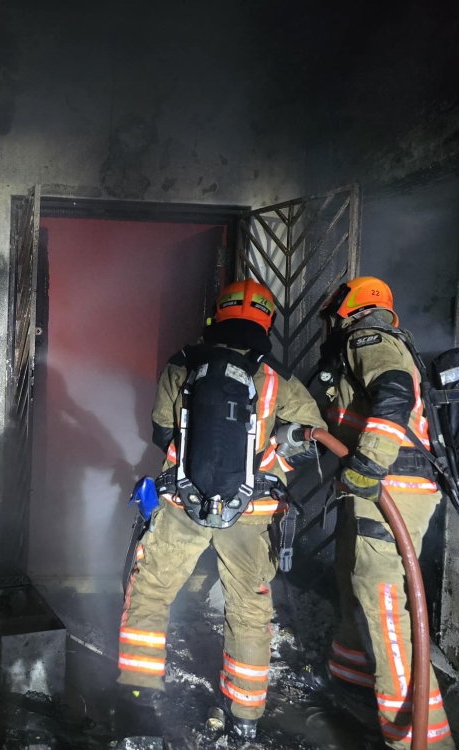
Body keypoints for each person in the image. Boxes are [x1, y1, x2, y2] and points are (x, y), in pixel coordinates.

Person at [117, 279, 326, 739]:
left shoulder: (183, 361)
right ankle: (245, 717)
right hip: (251, 513)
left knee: (151, 592)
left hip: (181, 504)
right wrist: (274, 458)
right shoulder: (275, 375)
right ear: (267, 319)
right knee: (248, 610)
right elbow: (314, 433)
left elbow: (159, 431)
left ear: (219, 313)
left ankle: (137, 696)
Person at [319, 276, 454, 749]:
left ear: (348, 310)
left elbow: (394, 391)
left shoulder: (367, 338)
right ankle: (355, 683)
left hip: (390, 484)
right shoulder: (369, 343)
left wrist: (370, 462)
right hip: (377, 486)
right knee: (351, 576)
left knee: (383, 603)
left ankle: (421, 738)